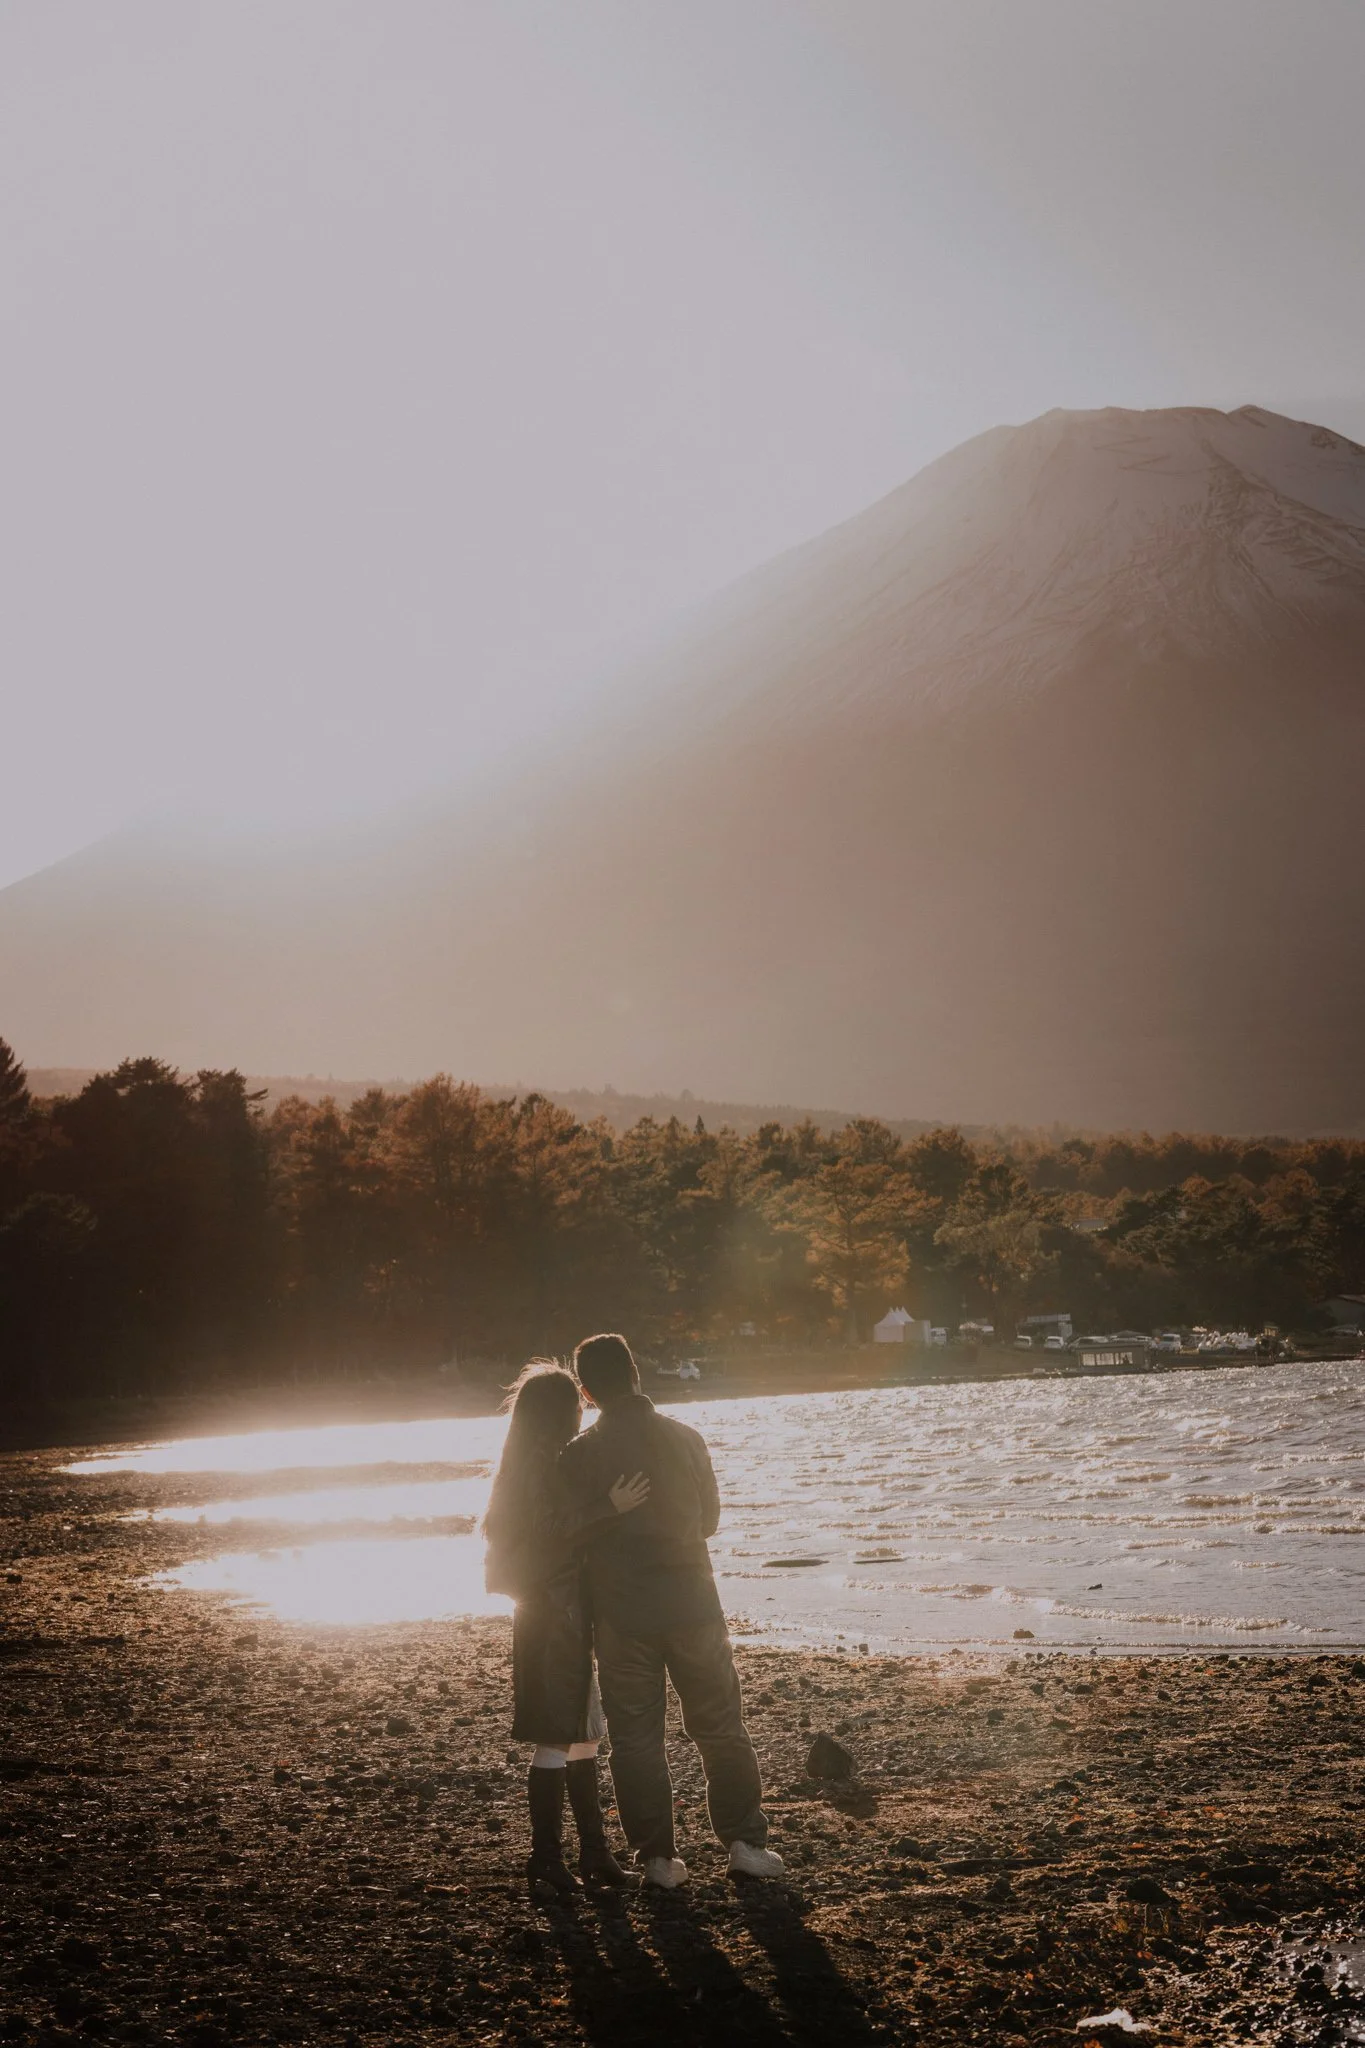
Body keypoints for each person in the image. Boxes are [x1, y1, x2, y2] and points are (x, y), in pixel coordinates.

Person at [560, 1333, 784, 1889]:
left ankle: (658, 1860)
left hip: (621, 1617)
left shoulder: (579, 1454)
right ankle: (744, 1844)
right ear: (636, 1374)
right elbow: (708, 1522)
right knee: (721, 1728)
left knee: (636, 1739)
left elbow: (565, 1535)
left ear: (586, 1391)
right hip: (692, 1607)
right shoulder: (685, 1439)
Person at [482, 1361, 650, 1892]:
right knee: (559, 1736)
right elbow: (552, 1528)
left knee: (582, 1736)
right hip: (553, 1613)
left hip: (553, 1610)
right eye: (575, 1407)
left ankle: (592, 1857)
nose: (581, 1415)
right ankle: (548, 1860)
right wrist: (610, 1505)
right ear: (559, 1411)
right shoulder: (539, 1464)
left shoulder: (526, 1460)